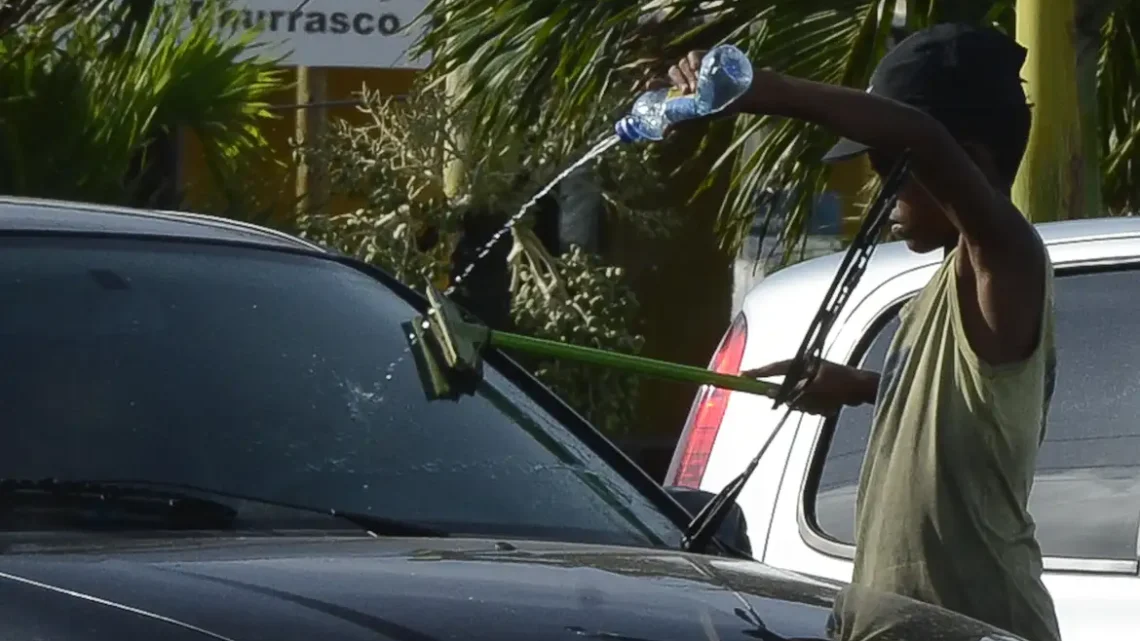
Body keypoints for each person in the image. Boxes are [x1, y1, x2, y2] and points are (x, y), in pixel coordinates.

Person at [663, 23, 1061, 641]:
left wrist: (765, 90)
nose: (881, 193)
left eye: (890, 169)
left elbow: (923, 138)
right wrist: (862, 387)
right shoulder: (941, 293)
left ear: (968, 163)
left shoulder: (1006, 260)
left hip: (981, 626)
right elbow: (970, 412)